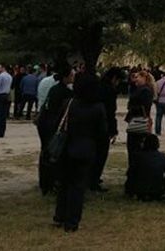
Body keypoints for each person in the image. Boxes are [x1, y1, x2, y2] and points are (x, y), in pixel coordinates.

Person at [53, 73, 107, 232]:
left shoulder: (68, 103)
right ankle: (72, 222)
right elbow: (102, 133)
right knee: (77, 186)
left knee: (64, 184)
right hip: (86, 149)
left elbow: (58, 124)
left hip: (66, 147)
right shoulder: (98, 107)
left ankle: (59, 216)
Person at [38, 65, 75, 195]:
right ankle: (53, 181)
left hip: (44, 122)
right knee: (54, 152)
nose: (73, 77)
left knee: (46, 152)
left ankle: (45, 182)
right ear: (66, 77)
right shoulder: (65, 92)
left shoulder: (54, 88)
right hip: (52, 125)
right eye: (72, 75)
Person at [125, 70, 155, 196]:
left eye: (137, 77)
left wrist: (131, 106)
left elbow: (143, 106)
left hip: (138, 122)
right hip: (137, 121)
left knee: (135, 151)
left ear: (144, 78)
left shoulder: (145, 91)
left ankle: (135, 181)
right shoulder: (141, 89)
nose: (135, 79)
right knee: (134, 151)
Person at [92, 67, 121, 192]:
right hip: (103, 125)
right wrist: (113, 130)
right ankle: (94, 179)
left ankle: (90, 178)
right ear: (114, 78)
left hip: (92, 124)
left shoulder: (97, 86)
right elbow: (111, 112)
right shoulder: (110, 90)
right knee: (101, 154)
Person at [129, 134, 165, 201]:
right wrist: (164, 181)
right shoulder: (163, 156)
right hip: (157, 189)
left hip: (139, 189)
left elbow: (130, 173)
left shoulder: (137, 156)